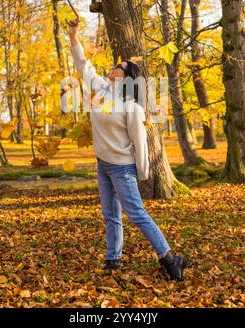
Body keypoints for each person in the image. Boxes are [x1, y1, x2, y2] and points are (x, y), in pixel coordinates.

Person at [66, 18, 188, 281]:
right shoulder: (101, 90)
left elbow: (140, 143)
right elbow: (82, 66)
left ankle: (169, 258)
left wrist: (141, 173)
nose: (113, 67)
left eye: (119, 67)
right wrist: (74, 36)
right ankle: (113, 260)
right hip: (103, 164)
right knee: (110, 214)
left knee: (136, 213)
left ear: (128, 77)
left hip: (122, 169)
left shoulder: (132, 107)